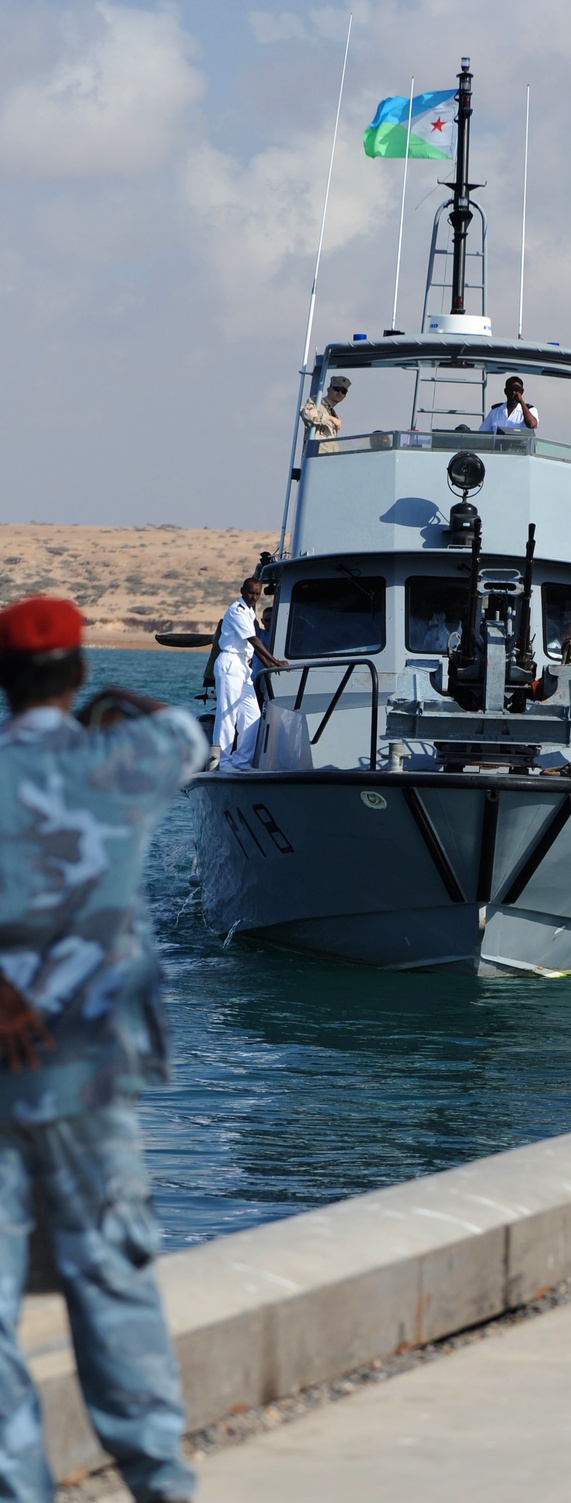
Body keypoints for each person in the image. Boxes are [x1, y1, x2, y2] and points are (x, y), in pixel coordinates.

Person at [0, 595, 206, 1503]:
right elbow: (190, 734)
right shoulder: (124, 761)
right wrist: (115, 700)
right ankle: (158, 1479)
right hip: (89, 1071)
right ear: (76, 673)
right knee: (109, 1277)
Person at [213, 578, 284, 772]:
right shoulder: (237, 611)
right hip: (230, 662)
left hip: (243, 666)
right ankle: (223, 763)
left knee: (252, 714)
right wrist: (274, 662)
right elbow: (253, 640)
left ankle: (241, 762)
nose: (254, 596)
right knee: (227, 715)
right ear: (242, 591)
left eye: (258, 593)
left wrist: (270, 663)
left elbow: (253, 645)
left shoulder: (250, 611)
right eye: (251, 592)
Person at [300, 375, 351, 452]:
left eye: (343, 391)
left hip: (328, 459)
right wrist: (330, 418)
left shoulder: (332, 413)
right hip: (316, 455)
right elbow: (306, 413)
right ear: (328, 389)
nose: (340, 393)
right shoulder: (316, 402)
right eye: (337, 389)